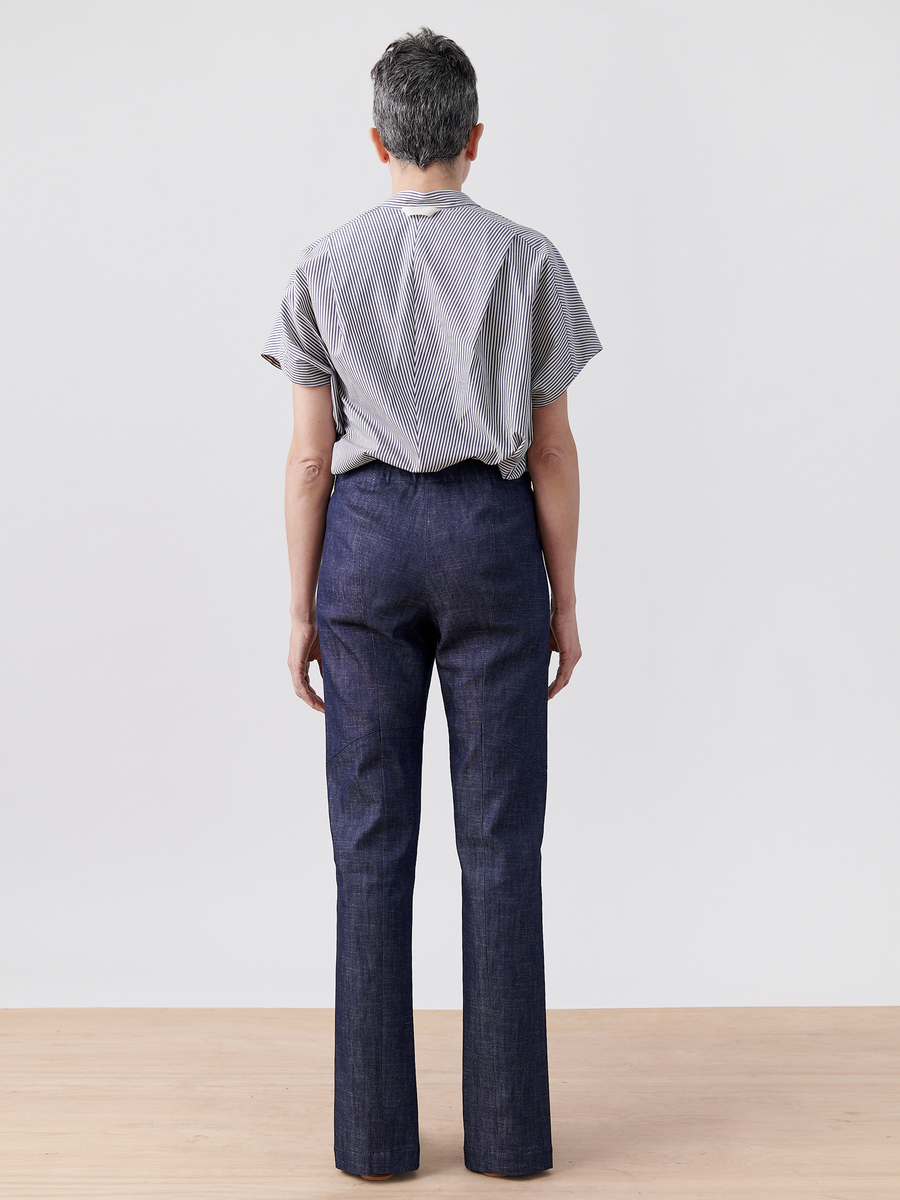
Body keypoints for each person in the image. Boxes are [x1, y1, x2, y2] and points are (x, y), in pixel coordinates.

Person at [260, 26, 602, 1182]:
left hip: (362, 551)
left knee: (370, 847)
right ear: (473, 137)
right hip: (489, 540)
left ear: (377, 140)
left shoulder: (323, 263)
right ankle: (509, 1143)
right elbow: (552, 449)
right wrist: (564, 596)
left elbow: (311, 461)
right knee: (500, 844)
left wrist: (304, 607)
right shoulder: (529, 259)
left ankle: (374, 1145)